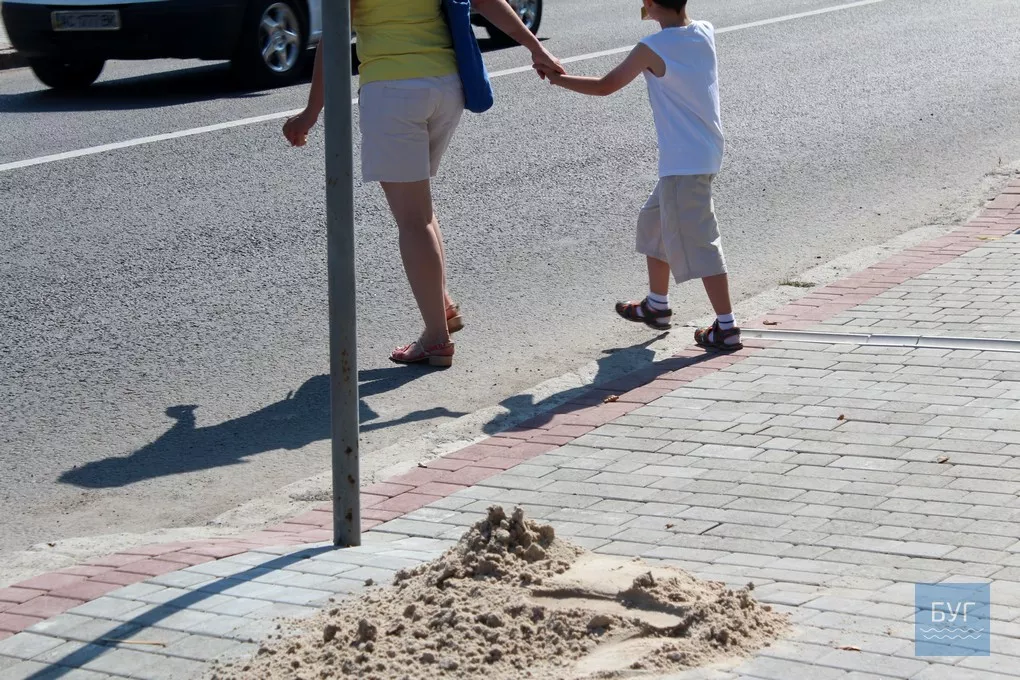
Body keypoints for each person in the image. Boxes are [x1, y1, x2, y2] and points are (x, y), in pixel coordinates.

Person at [284, 0, 563, 367]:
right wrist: (536, 46)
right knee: (421, 210)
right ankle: (442, 306)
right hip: (446, 87)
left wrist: (310, 112)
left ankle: (436, 339)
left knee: (412, 219)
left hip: (393, 93)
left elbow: (334, 39)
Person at [536, 0, 741, 351]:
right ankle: (657, 305)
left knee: (701, 240)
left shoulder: (652, 48)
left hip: (684, 163)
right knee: (654, 221)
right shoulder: (703, 30)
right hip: (702, 151)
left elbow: (605, 86)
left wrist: (558, 80)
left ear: (648, 4)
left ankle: (727, 326)